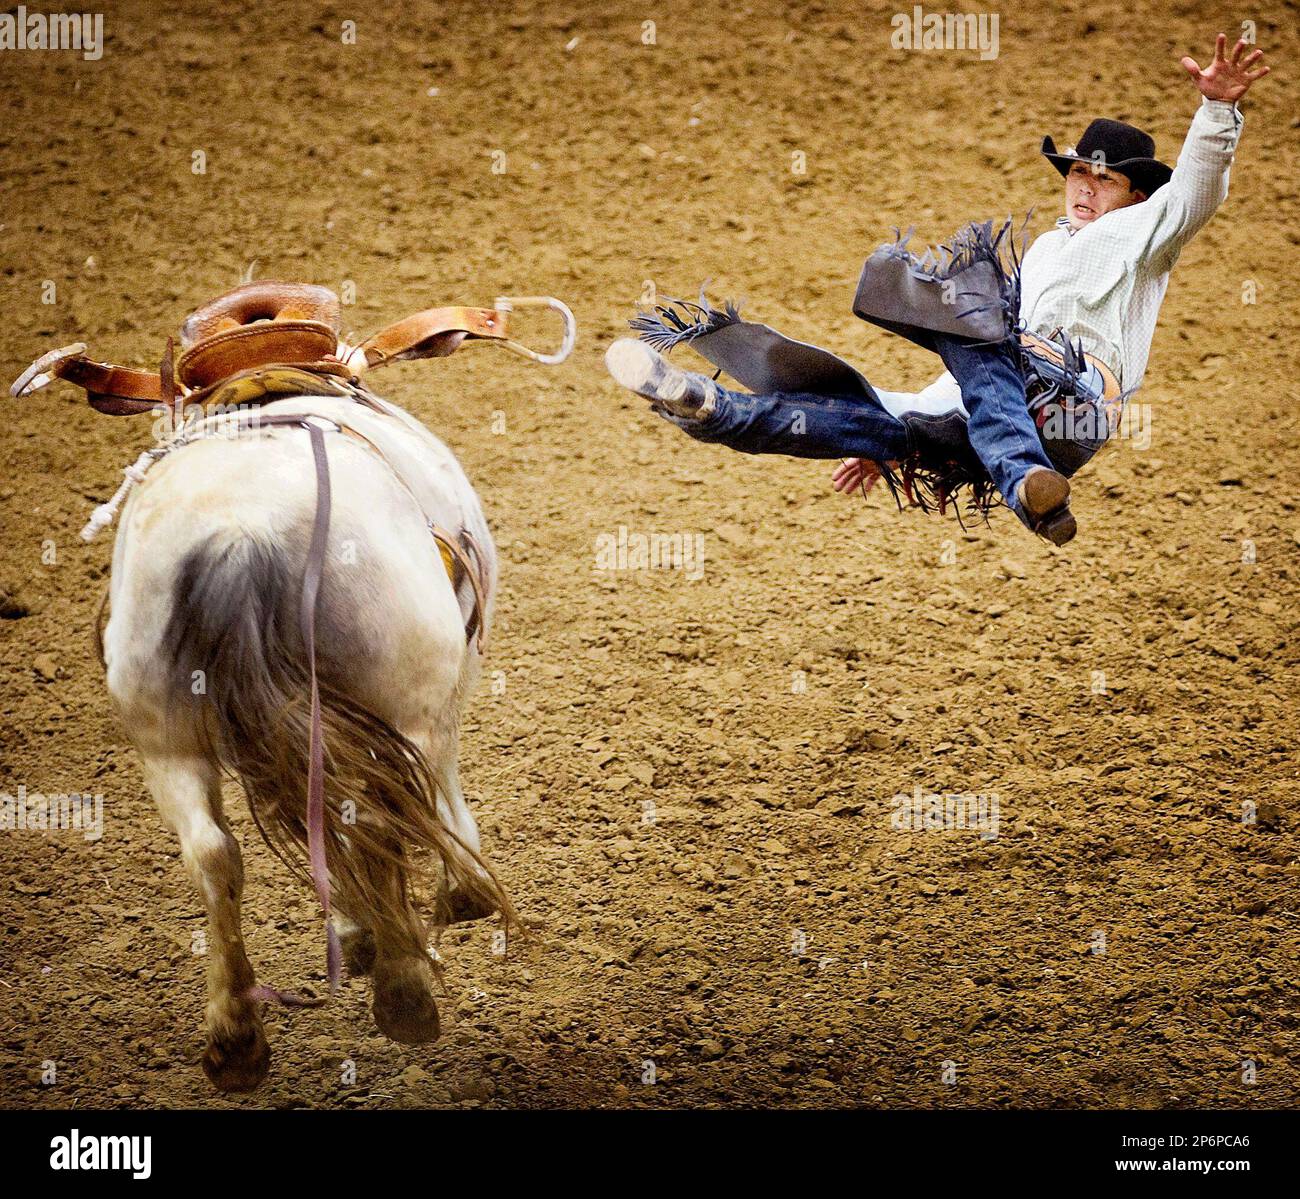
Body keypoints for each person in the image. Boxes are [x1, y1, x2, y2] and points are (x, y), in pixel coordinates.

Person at [604, 34, 1269, 546]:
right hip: (1017, 420)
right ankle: (706, 402)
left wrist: (1217, 108)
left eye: (1104, 179)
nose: (1086, 187)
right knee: (862, 420)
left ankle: (1022, 482)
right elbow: (982, 376)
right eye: (1078, 175)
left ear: (1136, 195)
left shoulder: (1145, 233)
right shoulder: (1044, 250)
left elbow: (1195, 192)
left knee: (971, 320)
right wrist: (899, 434)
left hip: (1072, 402)